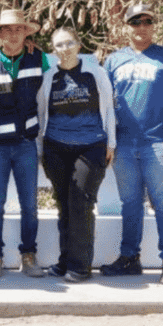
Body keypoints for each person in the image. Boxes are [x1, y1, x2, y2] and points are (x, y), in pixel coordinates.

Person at [100, 3, 163, 286]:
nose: (141, 26)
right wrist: (108, 141)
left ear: (154, 25)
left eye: (147, 21)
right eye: (135, 22)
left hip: (157, 144)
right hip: (124, 144)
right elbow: (104, 104)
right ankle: (129, 259)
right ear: (126, 26)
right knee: (130, 204)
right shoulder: (114, 61)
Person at [0, 8, 49, 279]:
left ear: (26, 33)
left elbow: (48, 93)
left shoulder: (39, 58)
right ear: (0, 34)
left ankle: (29, 255)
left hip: (26, 143)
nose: (14, 34)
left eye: (19, 29)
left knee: (30, 204)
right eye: (8, 29)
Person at [37, 27, 116, 282]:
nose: (65, 48)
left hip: (90, 146)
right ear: (53, 50)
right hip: (56, 147)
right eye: (59, 45)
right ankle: (65, 261)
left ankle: (81, 267)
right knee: (64, 205)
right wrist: (41, 149)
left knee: (81, 203)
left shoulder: (96, 73)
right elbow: (41, 114)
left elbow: (109, 110)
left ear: (79, 45)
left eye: (70, 42)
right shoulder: (49, 77)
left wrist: (111, 143)